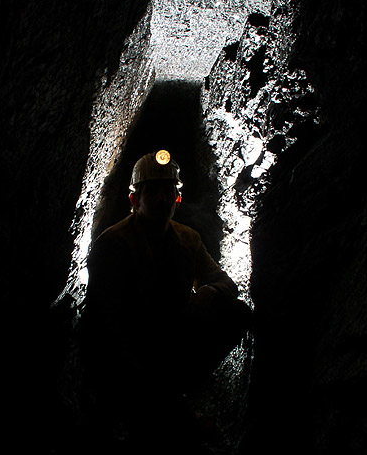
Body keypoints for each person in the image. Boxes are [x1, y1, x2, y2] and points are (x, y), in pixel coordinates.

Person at [80, 150, 253, 451]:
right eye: (152, 191)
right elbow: (102, 325)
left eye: (167, 191)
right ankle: (150, 406)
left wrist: (208, 294)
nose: (161, 199)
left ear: (177, 198)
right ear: (135, 200)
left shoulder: (187, 239)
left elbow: (225, 283)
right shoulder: (113, 244)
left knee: (237, 313)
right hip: (126, 353)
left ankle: (172, 394)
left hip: (167, 343)